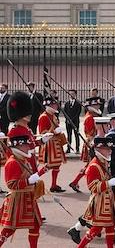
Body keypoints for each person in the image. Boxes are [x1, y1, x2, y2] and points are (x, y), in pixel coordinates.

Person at [1, 92, 42, 248]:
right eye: (26, 112)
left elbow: (28, 145)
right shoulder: (16, 130)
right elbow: (19, 150)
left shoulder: (26, 129)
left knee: (35, 224)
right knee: (9, 228)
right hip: (21, 186)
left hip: (29, 177)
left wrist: (40, 141)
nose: (30, 115)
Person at [73, 134, 115, 248]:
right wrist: (108, 183)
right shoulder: (94, 165)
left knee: (110, 227)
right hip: (100, 202)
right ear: (99, 149)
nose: (110, 151)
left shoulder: (103, 162)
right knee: (97, 228)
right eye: (107, 149)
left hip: (107, 199)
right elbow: (92, 187)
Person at [35, 95, 67, 193]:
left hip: (56, 143)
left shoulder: (53, 116)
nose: (57, 106)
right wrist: (54, 131)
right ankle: (35, 178)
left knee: (57, 165)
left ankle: (53, 185)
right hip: (49, 144)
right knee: (50, 165)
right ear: (50, 105)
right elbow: (42, 133)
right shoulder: (44, 117)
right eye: (54, 104)